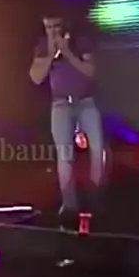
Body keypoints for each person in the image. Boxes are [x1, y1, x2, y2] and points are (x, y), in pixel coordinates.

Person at [29, 12, 103, 221]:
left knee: (98, 150)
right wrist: (51, 54)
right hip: (60, 104)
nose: (52, 31)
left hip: (85, 102)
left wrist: (68, 52)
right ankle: (69, 205)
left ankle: (96, 199)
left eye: (55, 26)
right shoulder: (43, 46)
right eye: (48, 27)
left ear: (64, 26)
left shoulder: (80, 42)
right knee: (64, 155)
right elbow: (36, 77)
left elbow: (91, 72)